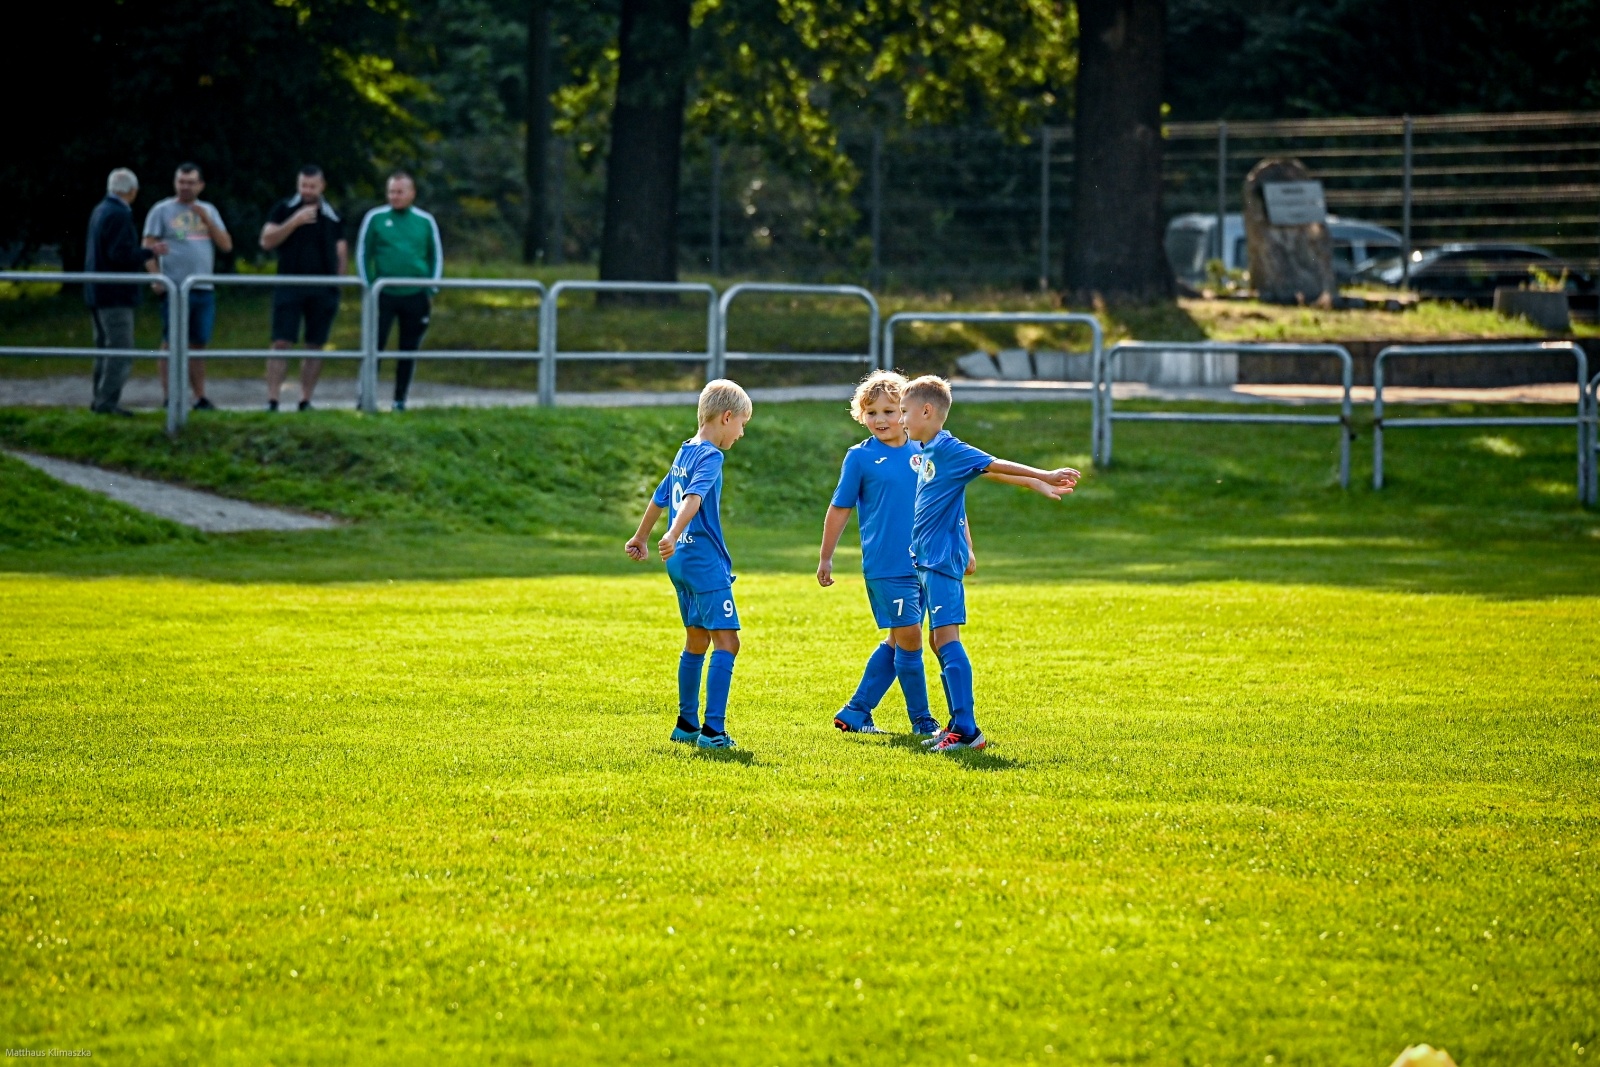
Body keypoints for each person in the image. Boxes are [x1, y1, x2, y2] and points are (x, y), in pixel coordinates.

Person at [818, 370, 1065, 736]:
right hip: (887, 565)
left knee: (900, 639)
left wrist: (1033, 483)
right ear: (861, 415)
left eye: (891, 411)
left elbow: (966, 485)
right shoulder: (860, 458)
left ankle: (856, 711)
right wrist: (826, 557)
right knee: (912, 639)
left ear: (911, 412)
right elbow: (839, 508)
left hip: (924, 562)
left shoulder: (927, 449)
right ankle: (923, 722)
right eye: (872, 413)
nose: (882, 420)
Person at [901, 375, 1080, 752]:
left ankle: (967, 730)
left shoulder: (949, 448)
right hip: (927, 558)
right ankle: (956, 723)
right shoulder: (931, 450)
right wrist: (1033, 484)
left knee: (946, 639)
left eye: (904, 412)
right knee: (937, 641)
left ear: (927, 411)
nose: (901, 420)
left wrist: (1043, 474)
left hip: (942, 559)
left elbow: (993, 462)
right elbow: (990, 472)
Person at [624, 380, 754, 750]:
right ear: (726, 417)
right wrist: (673, 534)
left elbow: (660, 495)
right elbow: (692, 498)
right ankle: (713, 732)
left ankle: (685, 723)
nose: (741, 433)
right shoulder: (711, 455)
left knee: (696, 640)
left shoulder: (685, 450)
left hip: (679, 561)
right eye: (742, 424)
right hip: (701, 560)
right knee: (728, 642)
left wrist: (642, 537)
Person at [143, 162, 231, 410]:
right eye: (181, 181)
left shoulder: (209, 210)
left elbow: (226, 245)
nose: (185, 187)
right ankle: (170, 396)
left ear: (200, 185)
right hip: (174, 288)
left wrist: (207, 221)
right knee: (170, 342)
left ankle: (199, 396)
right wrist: (156, 277)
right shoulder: (161, 210)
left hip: (203, 288)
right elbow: (148, 247)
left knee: (198, 343)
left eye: (191, 182)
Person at [260, 165, 347, 411]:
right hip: (289, 284)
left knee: (315, 345)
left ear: (322, 186)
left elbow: (341, 251)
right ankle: (273, 399)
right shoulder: (284, 208)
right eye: (303, 186)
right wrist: (294, 222)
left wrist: (339, 283)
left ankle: (305, 399)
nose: (307, 191)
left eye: (312, 186)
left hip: (323, 288)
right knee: (281, 342)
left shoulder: (333, 215)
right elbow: (266, 240)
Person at [356, 170, 443, 412]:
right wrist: (371, 286)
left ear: (412, 193)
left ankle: (399, 400)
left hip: (416, 294)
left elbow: (435, 254)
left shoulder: (425, 221)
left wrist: (431, 288)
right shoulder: (375, 218)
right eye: (391, 191)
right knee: (375, 346)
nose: (395, 196)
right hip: (384, 294)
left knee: (408, 349)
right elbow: (364, 253)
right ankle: (365, 397)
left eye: (400, 192)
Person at [84, 168, 166, 416]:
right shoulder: (119, 214)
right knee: (121, 349)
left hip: (97, 292)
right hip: (115, 295)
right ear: (132, 191)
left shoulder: (100, 210)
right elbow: (120, 254)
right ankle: (107, 403)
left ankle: (99, 399)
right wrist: (149, 252)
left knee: (104, 349)